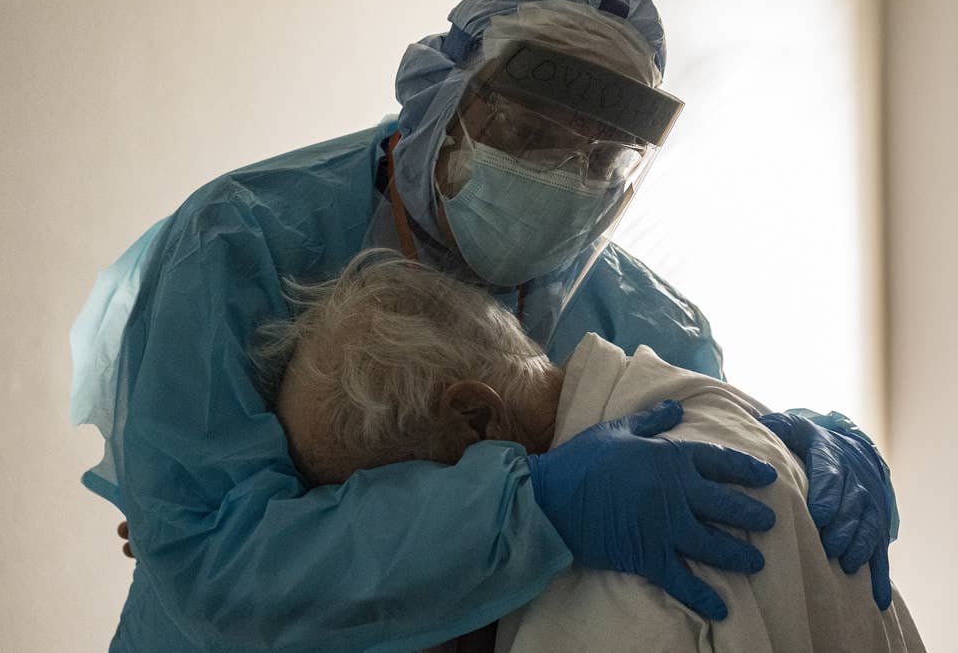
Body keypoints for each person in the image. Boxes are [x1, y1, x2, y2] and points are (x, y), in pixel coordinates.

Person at [75, 0, 898, 650]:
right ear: (438, 91)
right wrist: (528, 507)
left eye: (603, 156)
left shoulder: (642, 315)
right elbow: (210, 555)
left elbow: (706, 469)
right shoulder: (242, 241)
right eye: (531, 132)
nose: (564, 175)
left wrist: (793, 445)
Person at [249, 249, 923, 653]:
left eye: (394, 498)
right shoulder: (700, 405)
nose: (408, 549)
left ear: (477, 418)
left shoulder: (607, 599)